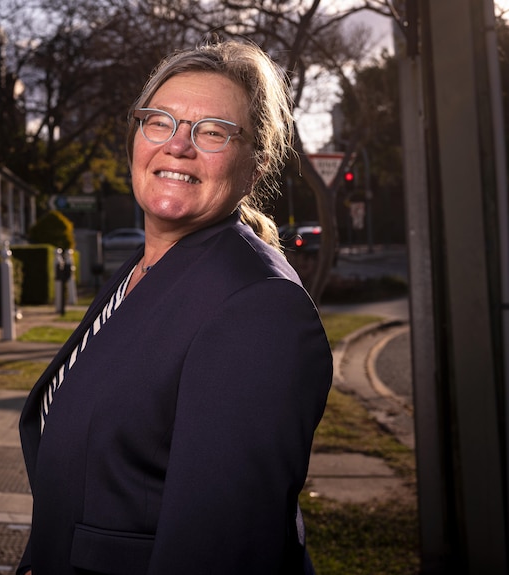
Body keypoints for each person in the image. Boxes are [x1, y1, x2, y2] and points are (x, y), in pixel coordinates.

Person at [17, 39, 332, 575]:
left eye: (211, 131)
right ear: (137, 139)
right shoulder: (142, 271)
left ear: (254, 167)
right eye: (159, 121)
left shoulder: (260, 310)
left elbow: (222, 551)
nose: (178, 145)